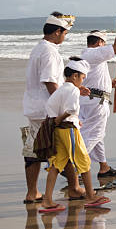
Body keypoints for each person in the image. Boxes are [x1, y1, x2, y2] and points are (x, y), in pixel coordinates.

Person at [21, 12, 84, 203]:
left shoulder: (38, 49)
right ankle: (74, 188)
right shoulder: (49, 52)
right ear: (57, 32)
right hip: (46, 109)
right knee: (63, 149)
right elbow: (50, 83)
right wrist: (63, 108)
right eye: (64, 33)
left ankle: (32, 193)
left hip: (34, 107)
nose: (65, 36)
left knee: (33, 150)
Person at [39, 57, 110, 213]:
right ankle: (91, 196)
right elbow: (71, 110)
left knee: (57, 164)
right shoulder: (71, 90)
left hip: (59, 130)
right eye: (82, 77)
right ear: (75, 76)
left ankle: (47, 200)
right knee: (83, 160)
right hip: (67, 129)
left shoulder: (62, 90)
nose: (82, 81)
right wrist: (62, 119)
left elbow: (53, 107)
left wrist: (63, 119)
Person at [79, 13, 116, 179]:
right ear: (99, 43)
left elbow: (92, 79)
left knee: (95, 135)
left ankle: (104, 167)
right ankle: (72, 165)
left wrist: (109, 84)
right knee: (95, 134)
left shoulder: (87, 56)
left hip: (89, 99)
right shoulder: (94, 53)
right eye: (103, 43)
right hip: (95, 102)